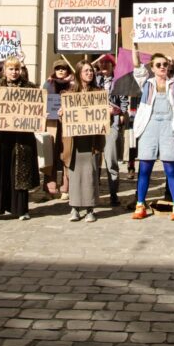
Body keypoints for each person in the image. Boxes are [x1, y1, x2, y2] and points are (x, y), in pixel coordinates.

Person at [131, 40, 174, 221]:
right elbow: (137, 66)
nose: (162, 67)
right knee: (145, 167)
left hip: (169, 126)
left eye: (165, 64)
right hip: (149, 126)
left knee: (171, 167)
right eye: (158, 65)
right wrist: (134, 46)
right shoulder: (147, 83)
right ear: (152, 67)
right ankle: (140, 204)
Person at [0, 56, 41, 221]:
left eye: (17, 69)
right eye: (11, 69)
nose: (14, 72)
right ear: (5, 70)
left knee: (19, 173)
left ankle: (21, 209)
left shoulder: (30, 88)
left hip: (21, 138)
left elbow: (37, 107)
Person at [64, 60, 104, 223]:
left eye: (91, 71)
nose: (90, 73)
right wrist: (62, 113)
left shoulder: (99, 93)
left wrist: (107, 112)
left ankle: (90, 209)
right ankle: (74, 208)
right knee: (74, 174)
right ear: (79, 73)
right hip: (75, 142)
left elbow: (103, 116)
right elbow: (65, 117)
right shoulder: (69, 94)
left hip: (92, 141)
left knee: (90, 174)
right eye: (86, 71)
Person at [95, 54, 125, 206]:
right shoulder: (94, 79)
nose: (105, 65)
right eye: (102, 63)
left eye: (108, 62)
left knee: (111, 160)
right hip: (93, 125)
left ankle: (113, 193)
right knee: (93, 161)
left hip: (111, 124)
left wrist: (119, 112)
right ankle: (92, 194)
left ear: (113, 65)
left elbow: (124, 102)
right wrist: (96, 60)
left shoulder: (118, 81)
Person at [43, 58, 74, 198]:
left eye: (63, 68)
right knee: (50, 155)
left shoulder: (73, 84)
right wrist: (44, 111)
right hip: (52, 123)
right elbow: (41, 101)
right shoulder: (48, 83)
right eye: (58, 68)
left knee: (66, 155)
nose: (61, 70)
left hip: (68, 123)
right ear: (54, 70)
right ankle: (50, 188)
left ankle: (65, 188)